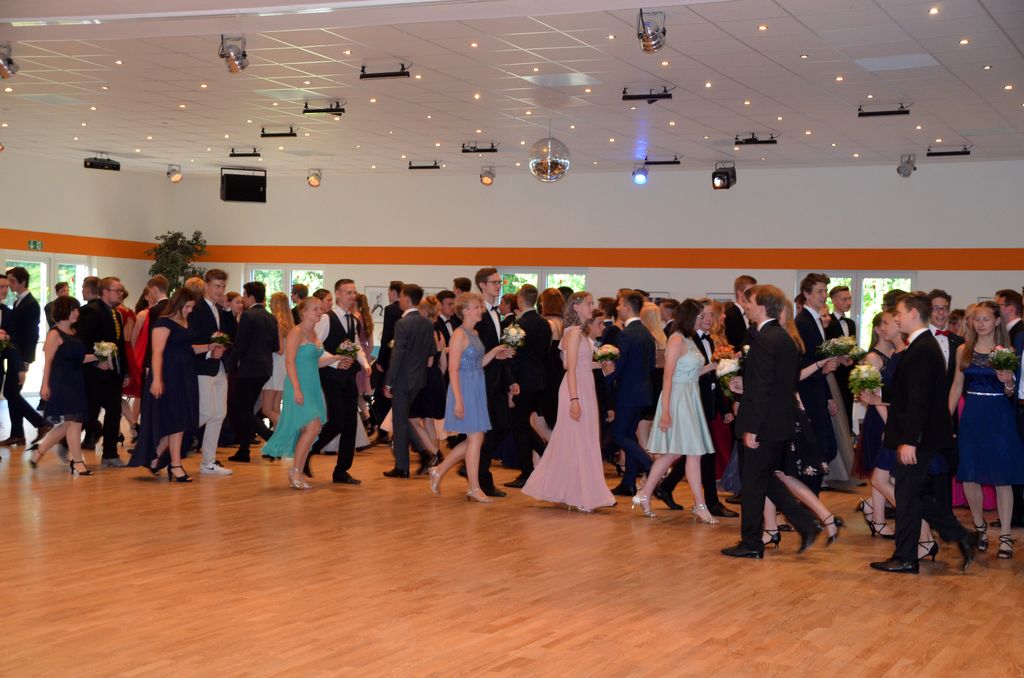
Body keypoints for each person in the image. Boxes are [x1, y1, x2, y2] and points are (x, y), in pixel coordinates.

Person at [864, 293, 976, 574]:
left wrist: (910, 441)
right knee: (912, 493)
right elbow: (907, 392)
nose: (897, 318)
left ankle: (906, 557)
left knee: (908, 495)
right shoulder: (921, 345)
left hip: (918, 437)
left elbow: (919, 401)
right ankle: (958, 536)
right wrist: (878, 396)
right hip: (921, 435)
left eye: (900, 313)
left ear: (913, 313)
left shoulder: (922, 348)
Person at [721, 285, 823, 560]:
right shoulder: (783, 337)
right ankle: (806, 524)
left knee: (753, 484)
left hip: (763, 424)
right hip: (778, 421)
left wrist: (752, 427)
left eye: (750, 302)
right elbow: (781, 382)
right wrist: (745, 384)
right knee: (763, 478)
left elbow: (765, 388)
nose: (746, 306)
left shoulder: (766, 338)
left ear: (763, 307)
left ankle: (752, 542)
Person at [521, 292, 614, 511]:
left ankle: (578, 492)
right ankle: (581, 495)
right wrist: (574, 400)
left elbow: (577, 364)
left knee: (583, 440)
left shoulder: (580, 333)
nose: (592, 306)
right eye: (588, 303)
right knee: (578, 441)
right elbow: (570, 368)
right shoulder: (573, 333)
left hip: (584, 387)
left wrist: (600, 366)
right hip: (576, 389)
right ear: (576, 307)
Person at [948, 300, 1024, 559]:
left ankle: (1005, 536)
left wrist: (1008, 381)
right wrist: (946, 418)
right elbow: (956, 386)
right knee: (970, 475)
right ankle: (979, 527)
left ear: (997, 321)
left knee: (1002, 478)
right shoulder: (963, 350)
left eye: (985, 319)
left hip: (999, 418)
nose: (980, 324)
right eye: (976, 319)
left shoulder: (1007, 350)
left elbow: (1011, 392)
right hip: (972, 416)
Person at [635, 299, 720, 523]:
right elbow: (668, 376)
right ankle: (700, 505)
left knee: (674, 453)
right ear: (690, 317)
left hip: (690, 397)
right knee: (692, 452)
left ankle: (645, 494)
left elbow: (690, 372)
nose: (703, 320)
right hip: (677, 398)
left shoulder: (688, 338)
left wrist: (712, 367)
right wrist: (665, 412)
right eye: (700, 316)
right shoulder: (675, 339)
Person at [657, 298, 737, 517]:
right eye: (704, 315)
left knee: (693, 452)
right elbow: (676, 374)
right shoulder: (685, 338)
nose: (708, 319)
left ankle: (665, 487)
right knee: (702, 452)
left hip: (704, 402)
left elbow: (714, 376)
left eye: (711, 315)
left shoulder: (711, 340)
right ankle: (710, 502)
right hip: (690, 401)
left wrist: (724, 408)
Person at [428, 292, 512, 502]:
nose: (480, 310)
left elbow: (478, 363)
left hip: (476, 385)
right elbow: (453, 369)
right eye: (476, 307)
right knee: (476, 438)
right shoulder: (459, 335)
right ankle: (473, 487)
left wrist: (495, 352)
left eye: (479, 306)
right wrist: (458, 400)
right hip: (464, 387)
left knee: (476, 438)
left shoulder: (473, 332)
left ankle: (439, 470)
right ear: (465, 311)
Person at [262, 298, 345, 488]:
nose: (320, 311)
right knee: (312, 427)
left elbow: (314, 362)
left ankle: (297, 470)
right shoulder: (296, 332)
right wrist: (297, 389)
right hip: (298, 385)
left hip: (312, 385)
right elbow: (289, 361)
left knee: (313, 429)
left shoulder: (313, 332)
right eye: (315, 309)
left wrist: (336, 359)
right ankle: (295, 471)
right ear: (304, 312)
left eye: (320, 309)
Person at [128, 287, 204, 482]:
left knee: (180, 421)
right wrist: (157, 380)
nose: (190, 310)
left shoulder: (185, 321)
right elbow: (157, 353)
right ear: (178, 304)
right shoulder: (163, 322)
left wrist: (210, 347)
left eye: (192, 307)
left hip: (186, 375)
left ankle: (155, 459)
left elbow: (187, 348)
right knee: (177, 421)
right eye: (187, 306)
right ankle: (175, 465)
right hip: (169, 376)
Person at [306, 278, 366, 484]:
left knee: (350, 424)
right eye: (348, 292)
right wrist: (335, 362)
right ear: (338, 294)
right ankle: (307, 451)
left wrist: (365, 364)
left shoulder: (353, 320)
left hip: (348, 377)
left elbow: (355, 345)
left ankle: (341, 471)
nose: (353, 296)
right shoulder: (326, 319)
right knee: (337, 422)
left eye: (354, 292)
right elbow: (316, 347)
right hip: (330, 376)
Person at [27, 297, 96, 475]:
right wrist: (44, 386)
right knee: (75, 422)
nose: (77, 312)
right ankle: (78, 462)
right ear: (65, 311)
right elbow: (48, 362)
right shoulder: (54, 334)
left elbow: (79, 358)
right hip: (61, 382)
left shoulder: (74, 331)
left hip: (76, 380)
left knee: (69, 424)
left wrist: (100, 356)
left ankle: (39, 451)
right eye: (74, 309)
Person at [73, 276, 129, 466]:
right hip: (94, 374)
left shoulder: (117, 314)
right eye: (117, 290)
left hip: (113, 373)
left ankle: (110, 454)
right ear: (104, 292)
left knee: (114, 411)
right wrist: (96, 362)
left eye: (121, 290)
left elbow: (120, 345)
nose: (121, 294)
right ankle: (65, 440)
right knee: (89, 413)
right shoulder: (91, 310)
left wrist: (125, 372)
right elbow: (82, 341)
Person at [383, 283, 436, 478]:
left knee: (399, 421)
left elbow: (397, 355)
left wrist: (388, 382)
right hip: (419, 379)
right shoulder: (427, 323)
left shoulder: (402, 323)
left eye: (401, 297)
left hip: (402, 380)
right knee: (402, 418)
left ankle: (403, 466)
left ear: (406, 299)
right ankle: (424, 454)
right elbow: (431, 351)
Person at [605, 290, 655, 497]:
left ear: (626, 307)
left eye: (620, 305)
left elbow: (619, 367)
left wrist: (604, 378)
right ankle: (628, 483)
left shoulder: (626, 334)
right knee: (629, 435)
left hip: (628, 393)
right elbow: (651, 365)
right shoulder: (646, 333)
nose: (617, 308)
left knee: (619, 435)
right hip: (643, 392)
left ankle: (649, 465)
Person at [225, 282, 279, 463]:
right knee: (247, 409)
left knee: (240, 409)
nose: (243, 299)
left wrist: (229, 366)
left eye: (244, 295)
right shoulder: (271, 317)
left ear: (251, 296)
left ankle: (271, 437)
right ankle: (244, 450)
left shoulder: (248, 316)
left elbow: (239, 345)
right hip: (265, 369)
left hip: (249, 369)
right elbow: (275, 346)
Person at [188, 268, 233, 475]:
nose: (220, 290)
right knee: (206, 412)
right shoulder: (196, 309)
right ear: (206, 286)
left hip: (220, 366)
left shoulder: (220, 309)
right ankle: (172, 440)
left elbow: (231, 335)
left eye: (223, 286)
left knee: (220, 414)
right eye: (216, 286)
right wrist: (209, 352)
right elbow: (192, 340)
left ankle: (209, 461)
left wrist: (227, 310)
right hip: (202, 367)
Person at [506, 284, 551, 488]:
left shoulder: (517, 325)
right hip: (540, 380)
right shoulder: (545, 324)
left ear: (520, 300)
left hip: (522, 381)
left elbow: (509, 356)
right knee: (522, 424)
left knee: (519, 426)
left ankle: (527, 471)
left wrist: (509, 382)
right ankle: (547, 456)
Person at [0, 266, 49, 447]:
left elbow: (32, 335)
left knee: (10, 393)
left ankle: (40, 423)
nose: (9, 286)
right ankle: (18, 434)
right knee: (12, 393)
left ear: (22, 282)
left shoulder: (30, 303)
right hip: (14, 355)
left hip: (20, 356)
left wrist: (26, 361)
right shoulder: (18, 302)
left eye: (11, 282)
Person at [408, 295, 447, 468]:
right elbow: (443, 363)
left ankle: (435, 453)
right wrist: (437, 377)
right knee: (429, 420)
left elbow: (428, 361)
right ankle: (435, 457)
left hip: (423, 379)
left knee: (413, 419)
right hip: (436, 378)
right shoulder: (439, 332)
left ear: (424, 311)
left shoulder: (425, 331)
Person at [261, 291, 293, 432]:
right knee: (275, 407)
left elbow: (279, 349)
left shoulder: (276, 322)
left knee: (267, 409)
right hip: (283, 366)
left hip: (275, 366)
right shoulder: (290, 323)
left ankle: (286, 430)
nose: (269, 304)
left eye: (271, 302)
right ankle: (278, 438)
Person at [724, 275, 757, 349]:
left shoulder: (754, 315)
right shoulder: (729, 316)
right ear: (739, 293)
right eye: (750, 292)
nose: (754, 295)